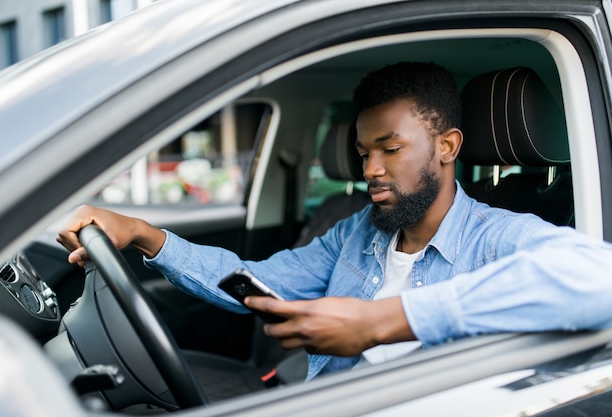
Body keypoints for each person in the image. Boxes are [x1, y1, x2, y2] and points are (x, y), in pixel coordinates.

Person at [57, 61, 612, 382]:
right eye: (364, 151)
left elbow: (599, 278)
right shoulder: (359, 232)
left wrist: (383, 321)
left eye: (391, 149)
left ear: (447, 146)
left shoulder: (497, 237)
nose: (370, 169)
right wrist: (146, 236)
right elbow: (256, 281)